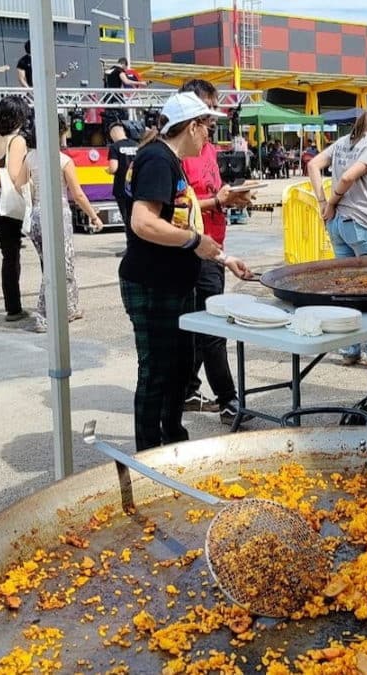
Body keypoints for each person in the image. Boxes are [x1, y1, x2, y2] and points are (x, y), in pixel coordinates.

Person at [121, 91, 251, 452]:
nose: (209, 137)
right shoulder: (158, 160)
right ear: (192, 127)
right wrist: (195, 242)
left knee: (178, 367)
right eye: (207, 128)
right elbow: (143, 222)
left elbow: (183, 220)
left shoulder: (169, 160)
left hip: (174, 283)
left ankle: (172, 438)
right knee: (157, 373)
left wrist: (223, 258)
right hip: (151, 283)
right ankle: (149, 452)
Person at [177, 79, 254, 422]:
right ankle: (227, 399)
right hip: (193, 246)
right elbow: (180, 206)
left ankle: (186, 390)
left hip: (215, 242)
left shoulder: (206, 148)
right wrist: (216, 200)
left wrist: (232, 195)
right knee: (213, 324)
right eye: (205, 114)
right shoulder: (177, 151)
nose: (210, 123)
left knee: (199, 322)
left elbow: (211, 188)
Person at [308, 99, 367, 367]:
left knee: (347, 286)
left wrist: (323, 202)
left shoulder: (346, 140)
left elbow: (313, 165)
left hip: (337, 224)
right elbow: (348, 177)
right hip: (361, 222)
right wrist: (332, 201)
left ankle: (349, 349)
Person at [21, 114, 104, 333]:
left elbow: (20, 183)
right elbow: (78, 194)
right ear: (60, 133)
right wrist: (93, 216)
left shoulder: (30, 157)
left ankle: (69, 307)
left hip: (36, 214)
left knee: (52, 264)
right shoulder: (63, 160)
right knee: (61, 266)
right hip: (58, 214)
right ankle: (44, 316)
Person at [0, 95, 31, 323]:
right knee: (44, 250)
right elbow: (15, 176)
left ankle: (12, 307)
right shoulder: (17, 142)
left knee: (9, 256)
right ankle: (51, 302)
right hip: (14, 200)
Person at [106, 121, 135, 227]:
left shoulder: (114, 147)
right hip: (137, 187)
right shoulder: (136, 144)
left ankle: (130, 238)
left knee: (126, 217)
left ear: (112, 134)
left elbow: (113, 168)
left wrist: (107, 170)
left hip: (122, 187)